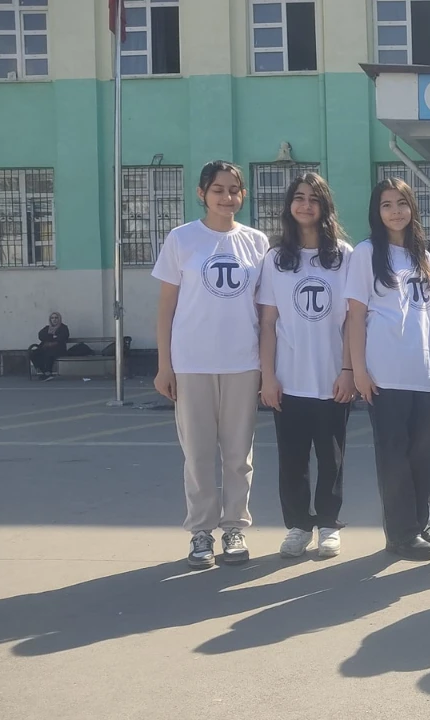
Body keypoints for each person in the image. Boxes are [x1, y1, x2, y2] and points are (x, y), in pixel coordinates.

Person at [152, 160, 269, 569]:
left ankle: (234, 526)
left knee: (239, 455)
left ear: (243, 195)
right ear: (202, 194)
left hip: (243, 362)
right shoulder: (182, 239)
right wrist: (164, 365)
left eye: (234, 190)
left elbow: (264, 310)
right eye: (218, 190)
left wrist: (267, 367)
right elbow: (166, 308)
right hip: (192, 362)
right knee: (198, 454)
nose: (227, 197)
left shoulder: (256, 242)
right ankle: (201, 531)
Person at [347, 177, 430, 560]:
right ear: (377, 211)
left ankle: (420, 522)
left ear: (412, 208)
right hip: (385, 373)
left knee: (429, 456)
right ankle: (401, 534)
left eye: (402, 203)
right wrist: (358, 370)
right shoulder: (366, 253)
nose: (395, 211)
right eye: (386, 204)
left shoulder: (424, 256)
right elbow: (355, 317)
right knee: (395, 457)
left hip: (424, 373)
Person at [258, 172, 355, 560]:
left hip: (332, 379)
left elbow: (352, 321)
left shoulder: (344, 257)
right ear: (289, 206)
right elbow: (268, 322)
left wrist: (348, 371)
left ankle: (329, 524)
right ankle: (298, 526)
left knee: (332, 459)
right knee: (292, 460)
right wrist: (268, 376)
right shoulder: (276, 259)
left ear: (325, 206)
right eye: (299, 197)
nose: (306, 205)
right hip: (289, 380)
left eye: (314, 198)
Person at [30, 311, 69, 379]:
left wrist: (50, 338)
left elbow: (62, 337)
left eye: (56, 318)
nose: (54, 319)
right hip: (46, 347)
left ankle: (48, 372)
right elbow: (41, 336)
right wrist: (53, 336)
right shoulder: (47, 328)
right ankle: (44, 371)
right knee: (33, 353)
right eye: (52, 318)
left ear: (59, 319)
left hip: (59, 349)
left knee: (49, 352)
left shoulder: (63, 327)